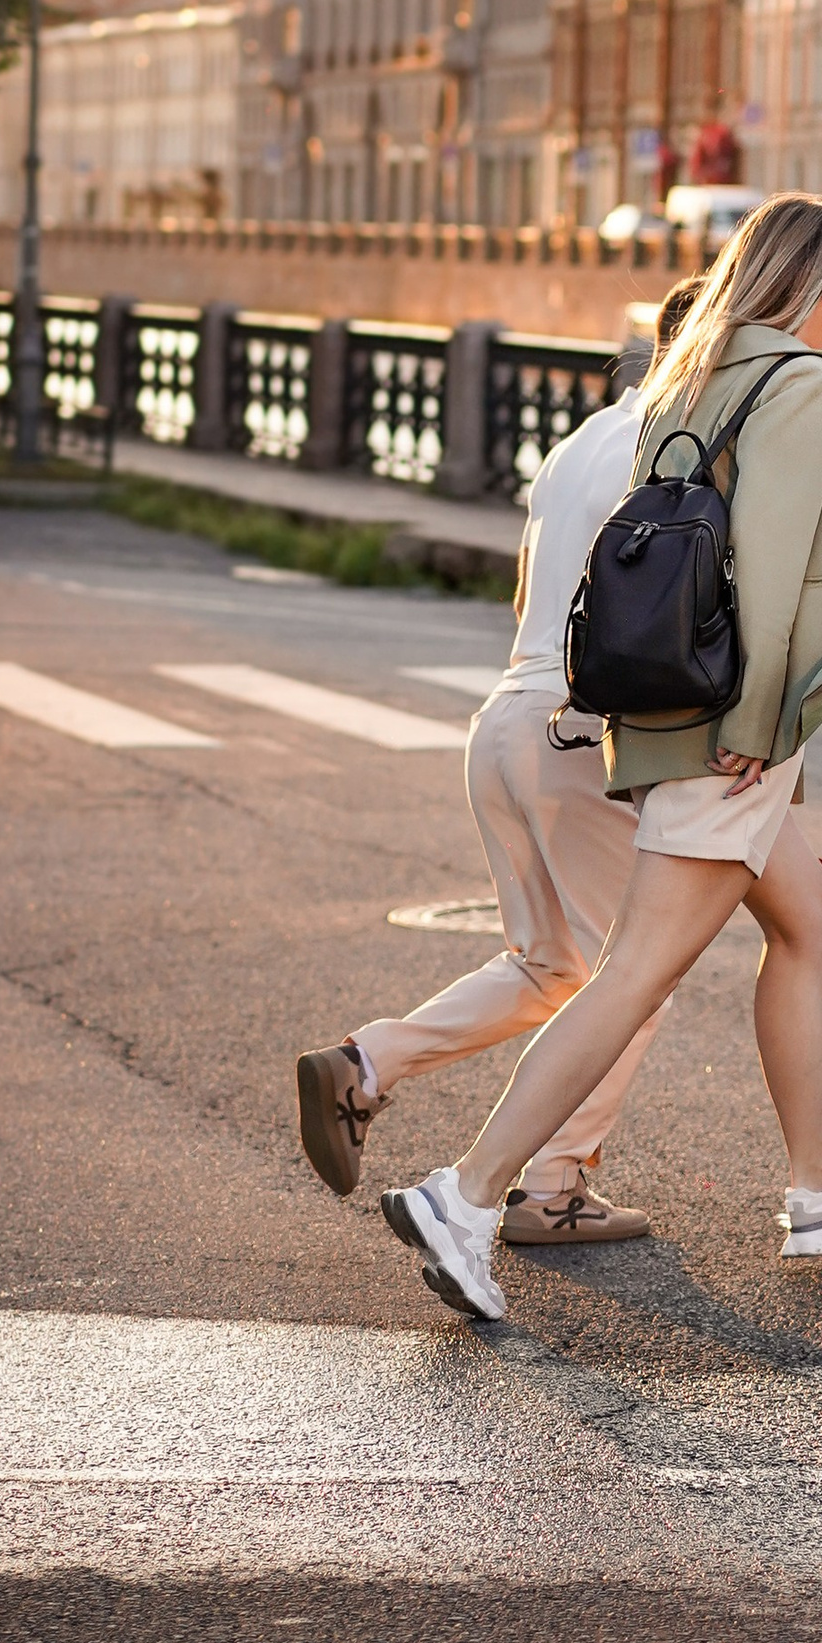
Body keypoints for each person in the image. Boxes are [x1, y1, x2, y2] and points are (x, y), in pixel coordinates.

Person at [382, 193, 822, 1323]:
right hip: (733, 729)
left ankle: (818, 1181)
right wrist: (756, 726)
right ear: (803, 279)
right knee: (632, 973)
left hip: (672, 709)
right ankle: (466, 1196)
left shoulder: (691, 378)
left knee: (804, 918)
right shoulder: (799, 381)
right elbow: (769, 568)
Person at [292, 278, 707, 1247]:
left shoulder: (586, 436)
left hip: (507, 720)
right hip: (582, 733)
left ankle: (368, 1061)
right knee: (632, 974)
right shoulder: (685, 449)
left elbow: (532, 588)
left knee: (550, 964)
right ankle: (553, 1184)